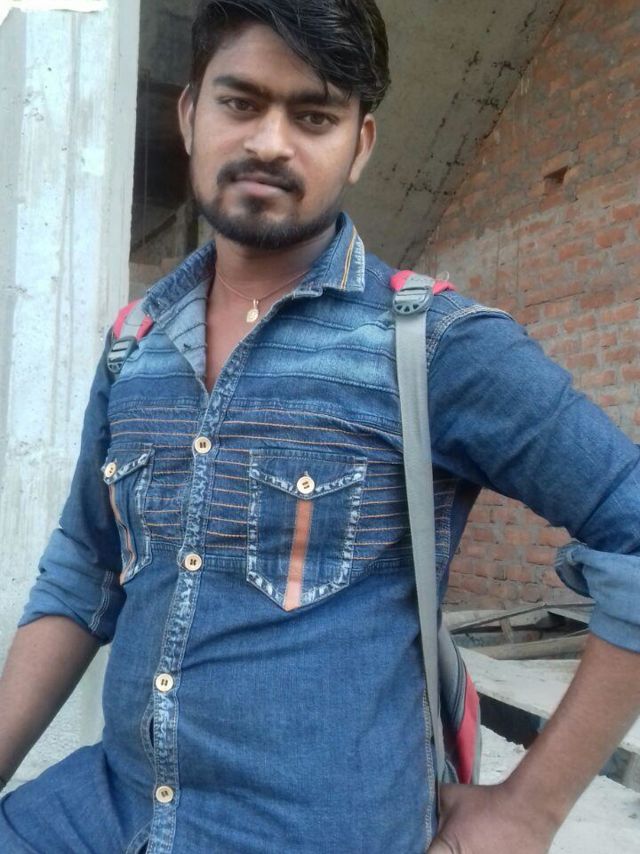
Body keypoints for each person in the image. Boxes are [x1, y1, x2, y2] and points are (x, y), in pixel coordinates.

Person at [1, 1, 639, 852]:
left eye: (313, 116)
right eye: (240, 102)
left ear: (361, 144)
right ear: (189, 115)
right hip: (105, 813)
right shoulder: (136, 346)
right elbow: (85, 569)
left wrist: (529, 810)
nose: (270, 142)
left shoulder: (431, 346)